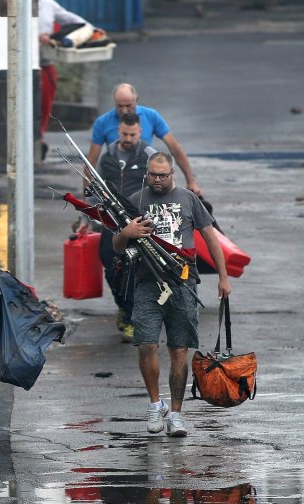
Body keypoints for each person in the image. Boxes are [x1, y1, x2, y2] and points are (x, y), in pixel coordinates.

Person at [112, 152, 231, 437]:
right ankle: (155, 405)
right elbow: (116, 246)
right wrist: (127, 231)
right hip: (146, 284)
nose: (157, 179)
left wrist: (223, 278)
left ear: (172, 173)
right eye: (152, 174)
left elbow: (212, 239)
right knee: (146, 345)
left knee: (179, 350)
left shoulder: (189, 200)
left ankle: (176, 414)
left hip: (184, 285)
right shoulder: (136, 200)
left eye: (162, 175)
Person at [78, 112, 156, 342]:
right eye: (124, 134)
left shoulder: (149, 156)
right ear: (118, 132)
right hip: (111, 222)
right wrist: (86, 220)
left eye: (132, 134)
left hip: (140, 223)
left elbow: (161, 186)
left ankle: (133, 319)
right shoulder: (107, 156)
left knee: (136, 271)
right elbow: (96, 190)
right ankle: (123, 307)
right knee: (111, 269)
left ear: (140, 132)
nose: (128, 138)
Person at [86, 83, 203, 197]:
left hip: (142, 177)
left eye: (128, 106)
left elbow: (174, 147)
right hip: (117, 177)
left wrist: (191, 181)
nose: (124, 110)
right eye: (120, 106)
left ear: (136, 100)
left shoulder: (151, 116)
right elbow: (91, 161)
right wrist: (86, 198)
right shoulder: (102, 122)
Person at [38, 0, 100, 159]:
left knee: (44, 109)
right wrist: (37, 36)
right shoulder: (12, 5)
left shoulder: (47, 4)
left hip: (45, 65)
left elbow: (73, 20)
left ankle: (39, 140)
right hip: (20, 67)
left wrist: (92, 30)